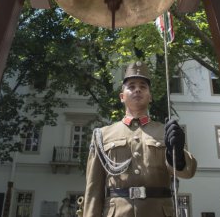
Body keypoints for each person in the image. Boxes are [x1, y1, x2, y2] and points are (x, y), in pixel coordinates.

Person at [83, 61, 197, 216]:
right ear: (122, 97)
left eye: (143, 86)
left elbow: (187, 173)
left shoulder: (166, 132)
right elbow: (94, 188)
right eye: (131, 86)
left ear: (150, 96)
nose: (137, 89)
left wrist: (176, 154)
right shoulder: (102, 135)